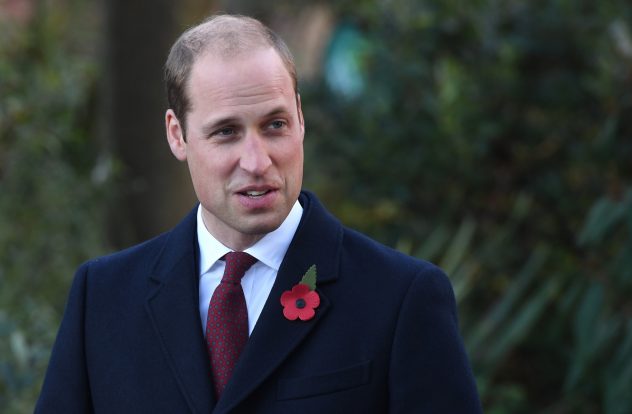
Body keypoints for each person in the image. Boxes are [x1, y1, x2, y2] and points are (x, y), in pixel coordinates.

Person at [36, 14, 482, 413]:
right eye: (226, 132)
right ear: (177, 135)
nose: (257, 161)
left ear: (300, 118)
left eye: (275, 125)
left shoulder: (400, 299)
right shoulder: (103, 298)